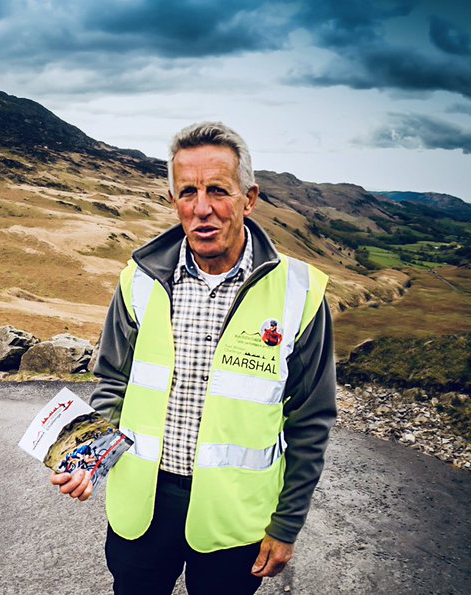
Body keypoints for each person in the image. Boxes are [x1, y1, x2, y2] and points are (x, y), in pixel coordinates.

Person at [50, 122, 335, 595]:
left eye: (218, 190)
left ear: (249, 198)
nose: (202, 208)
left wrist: (286, 526)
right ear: (173, 199)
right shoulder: (138, 281)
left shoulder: (300, 295)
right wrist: (89, 457)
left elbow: (311, 420)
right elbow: (113, 384)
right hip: (142, 511)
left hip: (232, 521)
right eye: (188, 192)